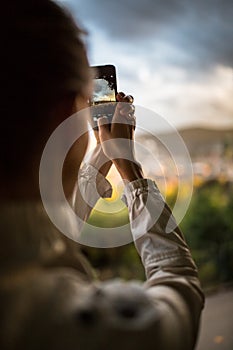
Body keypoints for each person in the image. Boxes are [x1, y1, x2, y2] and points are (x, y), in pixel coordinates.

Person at [0, 1, 204, 349]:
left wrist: (103, 156)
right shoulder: (81, 328)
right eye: (84, 105)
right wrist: (131, 171)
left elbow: (45, 236)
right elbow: (179, 288)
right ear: (63, 117)